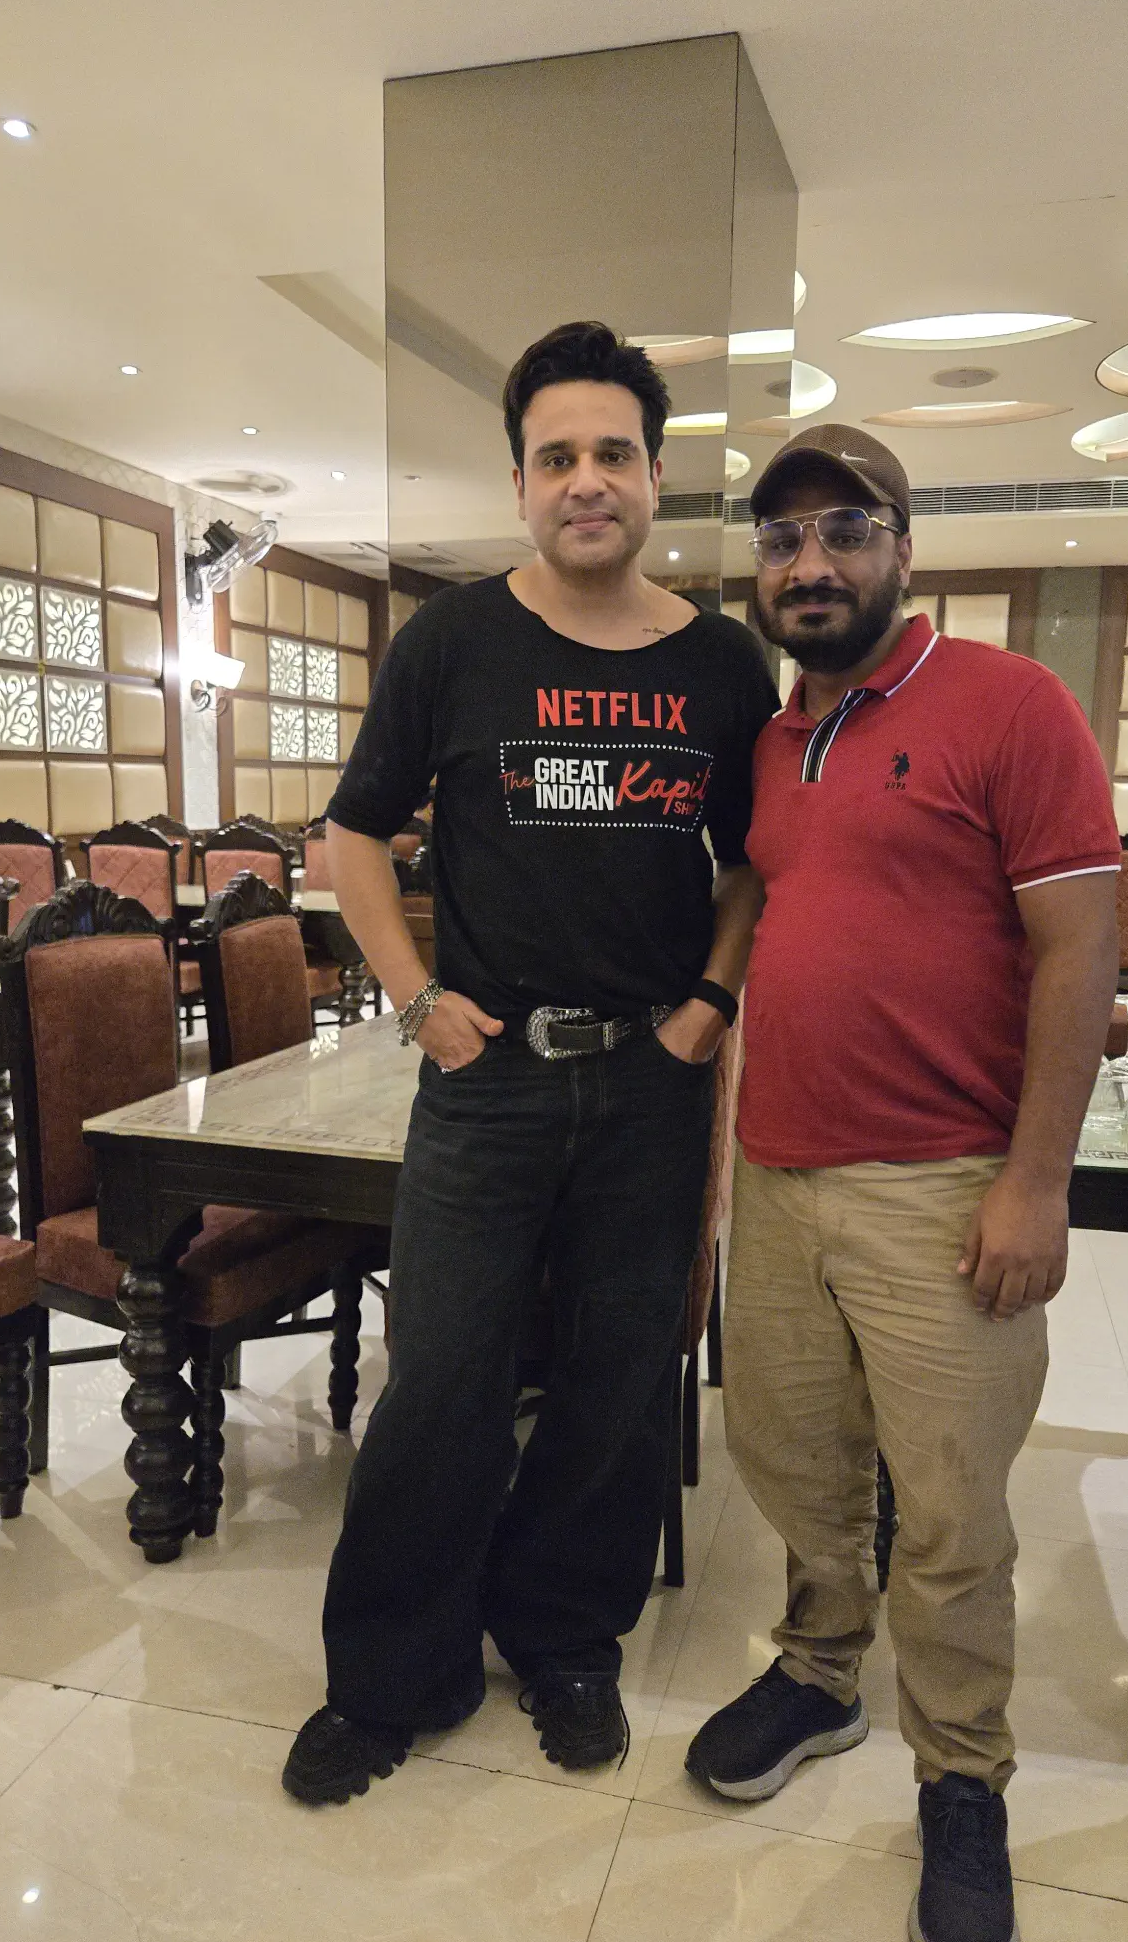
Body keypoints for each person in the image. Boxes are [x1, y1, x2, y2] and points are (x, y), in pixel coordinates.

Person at [282, 321, 777, 1806]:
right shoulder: (450, 643)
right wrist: (415, 994)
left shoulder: (721, 662)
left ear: (655, 475)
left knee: (619, 1378)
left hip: (650, 1081)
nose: (586, 480)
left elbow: (753, 861)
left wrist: (710, 1003)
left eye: (613, 452)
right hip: (486, 1080)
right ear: (519, 483)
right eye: (556, 456)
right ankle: (392, 1675)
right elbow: (352, 834)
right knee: (441, 1377)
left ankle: (564, 1637)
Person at [683, 425, 1121, 1942]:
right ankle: (818, 1670)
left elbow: (1081, 949)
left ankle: (963, 1775)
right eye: (782, 538)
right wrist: (711, 1009)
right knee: (789, 1455)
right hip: (779, 1172)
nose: (810, 563)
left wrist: (1037, 1180)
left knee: (946, 1508)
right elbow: (762, 885)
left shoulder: (1009, 703)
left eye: (844, 530)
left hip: (944, 1185)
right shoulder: (772, 740)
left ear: (902, 549)